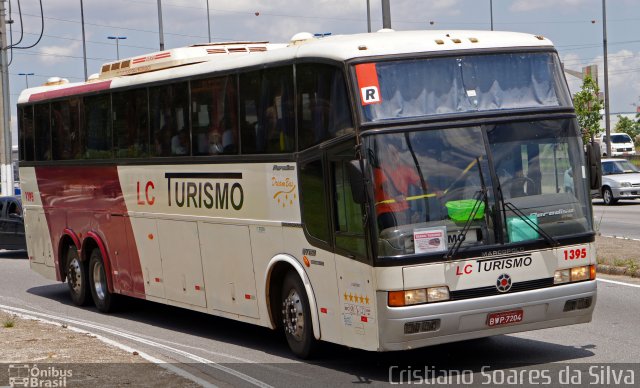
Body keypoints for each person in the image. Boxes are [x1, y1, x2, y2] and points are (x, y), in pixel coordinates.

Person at [374, 143, 427, 230]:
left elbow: (420, 182)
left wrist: (435, 190)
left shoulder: (405, 169)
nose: (394, 156)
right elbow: (385, 186)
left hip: (404, 210)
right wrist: (395, 196)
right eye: (391, 153)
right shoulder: (379, 169)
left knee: (420, 219)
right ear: (385, 155)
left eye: (396, 153)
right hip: (387, 211)